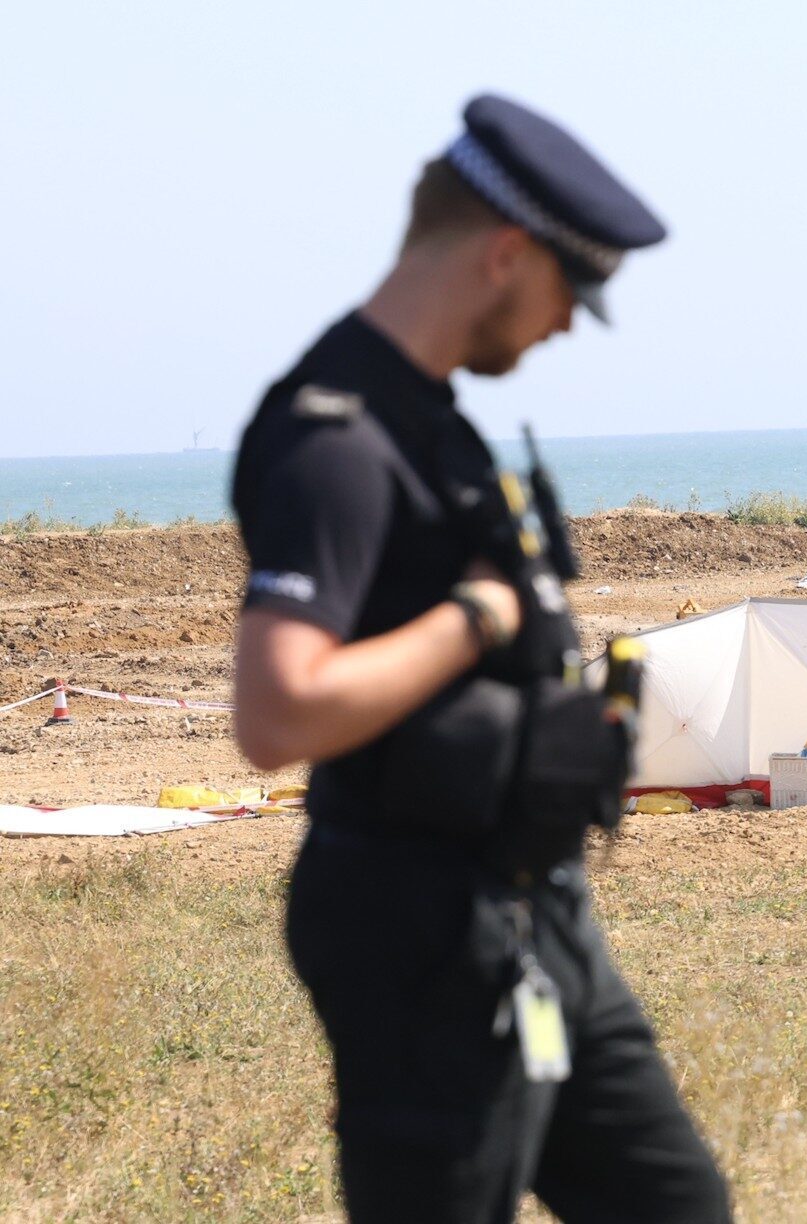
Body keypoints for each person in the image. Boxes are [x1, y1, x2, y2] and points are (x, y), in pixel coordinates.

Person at [230, 95, 731, 1222]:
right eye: (570, 294)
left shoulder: (428, 420)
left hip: (533, 907)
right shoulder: (336, 440)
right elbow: (278, 710)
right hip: (417, 930)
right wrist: (482, 615)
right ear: (507, 255)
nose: (565, 327)